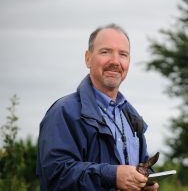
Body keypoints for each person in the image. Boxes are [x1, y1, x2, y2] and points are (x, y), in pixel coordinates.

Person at [36, 23, 159, 191]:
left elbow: (140, 167)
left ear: (128, 62)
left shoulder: (132, 118)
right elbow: (55, 175)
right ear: (88, 58)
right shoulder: (64, 113)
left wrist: (145, 182)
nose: (115, 61)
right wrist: (112, 176)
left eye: (123, 54)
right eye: (105, 52)